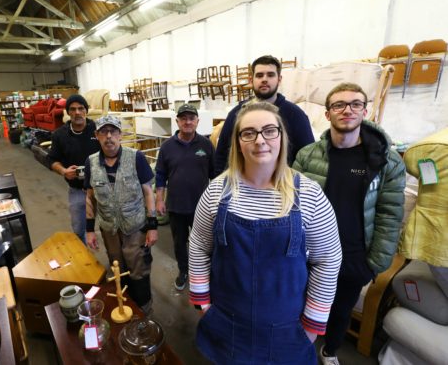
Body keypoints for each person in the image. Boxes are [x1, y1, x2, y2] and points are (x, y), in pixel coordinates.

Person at [189, 101, 342, 364]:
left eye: (270, 130)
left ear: (282, 137)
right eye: (249, 133)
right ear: (238, 142)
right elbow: (199, 245)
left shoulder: (309, 194)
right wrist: (202, 305)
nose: (260, 140)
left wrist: (311, 327)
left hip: (286, 331)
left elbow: (327, 261)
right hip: (226, 324)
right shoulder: (216, 191)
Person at [293, 82, 406, 365]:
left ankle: (329, 351)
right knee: (300, 304)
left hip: (355, 255)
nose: (348, 110)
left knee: (341, 310)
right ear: (328, 114)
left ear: (365, 111)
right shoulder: (308, 155)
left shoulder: (385, 160)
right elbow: (290, 204)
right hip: (309, 253)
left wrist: (375, 263)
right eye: (339, 105)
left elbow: (390, 214)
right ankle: (298, 349)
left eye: (355, 104)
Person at [85, 115, 157, 313]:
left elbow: (148, 192)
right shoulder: (91, 163)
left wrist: (152, 226)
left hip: (135, 228)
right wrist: (89, 230)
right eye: (103, 132)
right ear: (96, 135)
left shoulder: (136, 158)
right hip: (109, 230)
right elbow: (89, 197)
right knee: (117, 266)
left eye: (113, 131)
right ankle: (125, 304)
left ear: (120, 134)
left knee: (138, 269)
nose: (109, 137)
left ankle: (144, 309)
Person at [214, 55, 314, 174]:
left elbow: (308, 158)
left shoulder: (296, 115)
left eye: (270, 75)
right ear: (251, 81)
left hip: (283, 186)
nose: (264, 79)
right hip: (243, 187)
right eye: (259, 75)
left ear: (279, 79)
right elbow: (221, 155)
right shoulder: (236, 114)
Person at [155, 103, 215, 291]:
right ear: (177, 121)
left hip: (202, 207)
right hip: (176, 206)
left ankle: (206, 272)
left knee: (205, 241)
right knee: (179, 243)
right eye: (183, 118)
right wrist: (159, 199)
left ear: (197, 121)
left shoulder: (206, 145)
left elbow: (216, 175)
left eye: (191, 118)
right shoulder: (167, 147)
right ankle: (183, 271)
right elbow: (160, 175)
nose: (187, 122)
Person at [48, 94, 100, 243]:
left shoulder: (98, 130)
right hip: (78, 190)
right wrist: (63, 171)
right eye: (73, 109)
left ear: (86, 111)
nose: (77, 112)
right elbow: (51, 159)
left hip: (101, 187)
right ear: (68, 112)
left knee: (110, 225)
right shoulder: (59, 135)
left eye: (81, 108)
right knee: (78, 230)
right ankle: (83, 260)